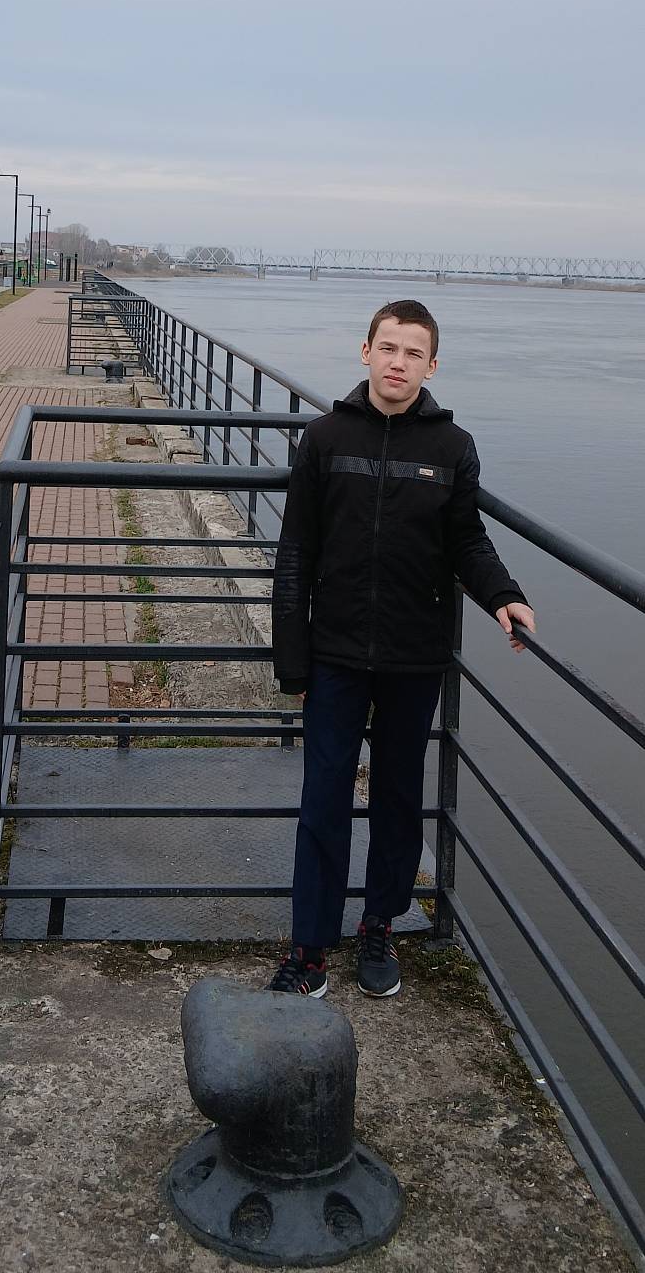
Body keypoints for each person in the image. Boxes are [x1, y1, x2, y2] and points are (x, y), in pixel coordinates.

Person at [269, 299, 535, 1000]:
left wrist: (503, 595)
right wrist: (291, 656)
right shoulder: (324, 437)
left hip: (414, 655)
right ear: (366, 352)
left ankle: (378, 925)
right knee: (322, 799)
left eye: (413, 353)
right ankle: (309, 947)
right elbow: (295, 551)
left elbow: (466, 540)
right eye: (388, 348)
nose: (398, 363)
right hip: (333, 653)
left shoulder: (452, 448)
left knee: (396, 798)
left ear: (431, 366)